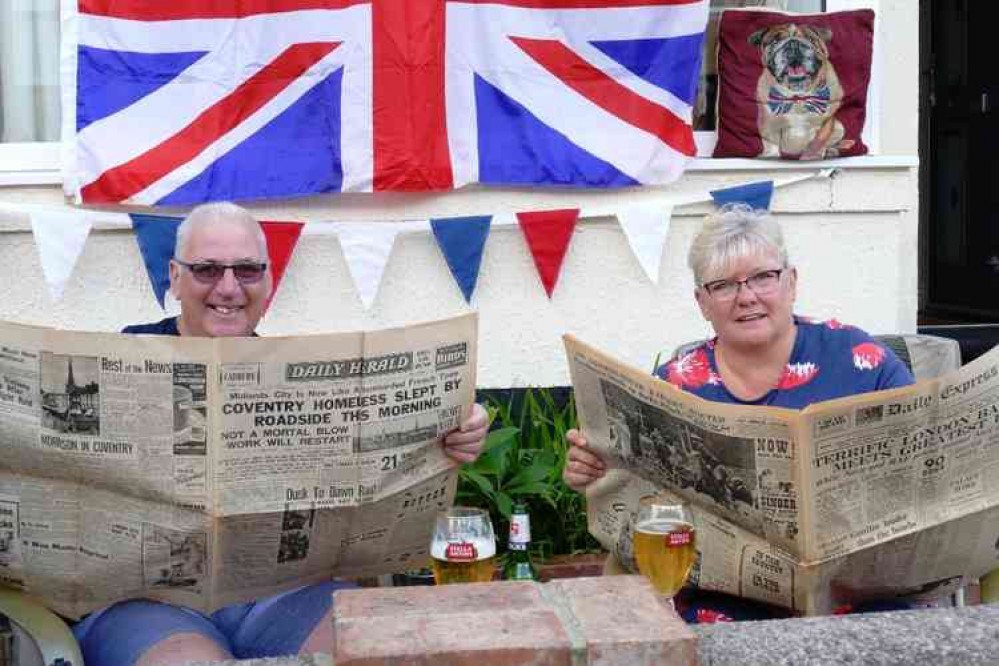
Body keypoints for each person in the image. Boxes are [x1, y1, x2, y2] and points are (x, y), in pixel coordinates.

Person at [73, 202, 489, 665]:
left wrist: (456, 427)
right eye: (207, 269)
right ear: (174, 276)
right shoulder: (116, 358)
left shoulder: (300, 376)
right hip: (148, 603)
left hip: (276, 593)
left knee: (369, 649)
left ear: (268, 280)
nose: (228, 288)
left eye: (247, 270)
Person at [563, 203, 915, 621]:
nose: (747, 297)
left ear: (791, 282)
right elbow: (635, 500)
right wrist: (592, 470)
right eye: (724, 285)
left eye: (764, 277)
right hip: (721, 602)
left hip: (854, 599)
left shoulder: (861, 360)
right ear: (702, 302)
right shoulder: (674, 383)